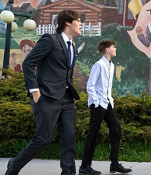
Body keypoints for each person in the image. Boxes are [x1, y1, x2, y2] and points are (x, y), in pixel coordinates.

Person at [5, 9, 82, 175]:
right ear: (68, 22)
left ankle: (68, 172)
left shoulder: (72, 46)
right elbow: (28, 63)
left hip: (67, 99)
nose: (81, 24)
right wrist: (35, 91)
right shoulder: (50, 40)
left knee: (69, 139)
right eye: (78, 21)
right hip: (47, 97)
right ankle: (14, 165)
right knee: (43, 140)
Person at [79, 40, 132, 175]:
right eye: (114, 47)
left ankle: (114, 164)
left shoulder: (111, 65)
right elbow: (90, 86)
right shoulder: (99, 65)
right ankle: (85, 166)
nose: (115, 49)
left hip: (108, 103)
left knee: (116, 130)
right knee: (93, 133)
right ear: (107, 50)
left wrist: (109, 100)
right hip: (98, 105)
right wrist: (96, 103)